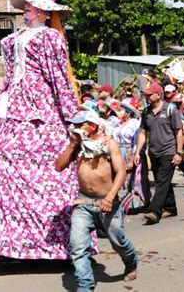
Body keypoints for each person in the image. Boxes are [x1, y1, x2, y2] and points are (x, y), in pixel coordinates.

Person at [0, 0, 89, 260]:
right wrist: (0, 108)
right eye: (26, 5)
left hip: (39, 105)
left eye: (32, 5)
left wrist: (70, 115)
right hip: (11, 105)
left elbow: (58, 77)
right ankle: (7, 240)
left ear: (44, 12)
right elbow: (8, 77)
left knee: (46, 169)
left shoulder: (50, 38)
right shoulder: (12, 38)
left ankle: (55, 242)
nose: (26, 9)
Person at [55, 110, 138, 291]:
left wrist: (109, 198)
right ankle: (85, 286)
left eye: (80, 125)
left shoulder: (109, 144)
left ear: (92, 126)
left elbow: (121, 172)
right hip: (83, 203)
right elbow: (59, 166)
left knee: (118, 241)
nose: (75, 128)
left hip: (107, 202)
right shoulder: (77, 145)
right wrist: (71, 145)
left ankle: (131, 261)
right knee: (77, 248)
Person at [134, 81, 184, 224]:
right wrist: (138, 152)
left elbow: (178, 132)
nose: (147, 97)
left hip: (169, 152)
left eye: (150, 94)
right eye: (146, 94)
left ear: (159, 94)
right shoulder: (146, 112)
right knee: (162, 181)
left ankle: (155, 211)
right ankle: (171, 207)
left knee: (161, 183)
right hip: (153, 152)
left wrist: (179, 152)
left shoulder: (171, 110)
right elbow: (143, 133)